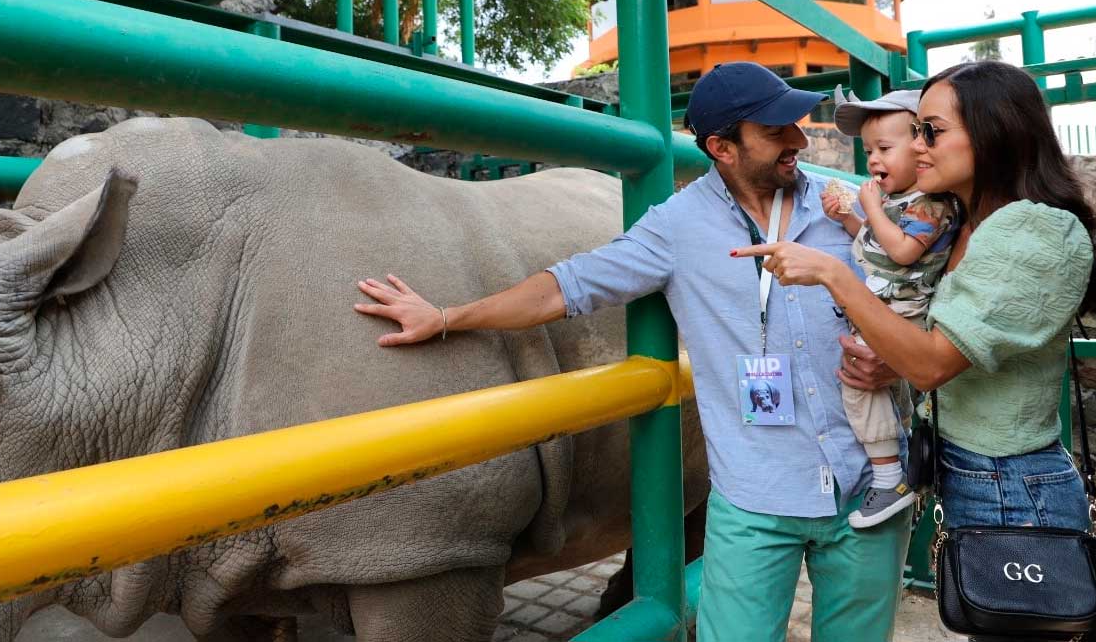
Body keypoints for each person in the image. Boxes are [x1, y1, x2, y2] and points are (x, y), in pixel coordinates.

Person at [355, 62, 914, 642]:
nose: (798, 139)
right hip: (756, 501)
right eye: (776, 131)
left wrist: (895, 359)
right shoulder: (676, 227)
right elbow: (566, 287)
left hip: (869, 485)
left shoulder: (846, 208)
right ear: (722, 148)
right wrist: (448, 317)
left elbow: (920, 295)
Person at [734, 60, 1096, 537]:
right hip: (968, 472)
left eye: (931, 132)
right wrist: (893, 361)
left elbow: (933, 364)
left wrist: (832, 274)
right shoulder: (963, 221)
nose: (916, 145)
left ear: (992, 133)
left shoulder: (1032, 229)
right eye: (916, 130)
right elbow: (943, 344)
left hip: (1011, 487)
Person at [819, 87, 960, 529]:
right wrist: (848, 219)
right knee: (879, 390)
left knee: (858, 384)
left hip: (905, 313)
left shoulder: (931, 205)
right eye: (868, 151)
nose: (874, 159)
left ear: (920, 145)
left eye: (884, 148)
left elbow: (900, 250)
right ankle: (898, 464)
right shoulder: (902, 202)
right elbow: (877, 241)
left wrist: (870, 207)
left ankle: (889, 478)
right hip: (891, 309)